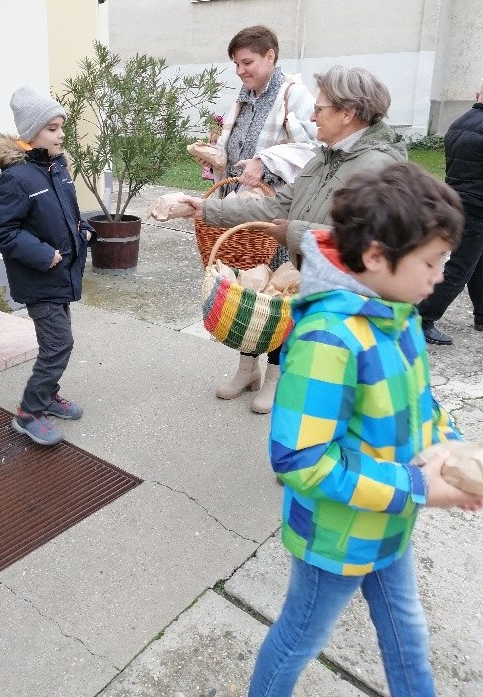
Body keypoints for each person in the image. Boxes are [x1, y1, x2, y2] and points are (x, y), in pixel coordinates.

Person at [246, 162, 483, 697]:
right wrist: (419, 486)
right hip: (335, 537)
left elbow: (418, 404)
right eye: (431, 261)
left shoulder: (397, 314)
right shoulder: (328, 340)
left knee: (407, 632)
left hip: (387, 522)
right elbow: (301, 460)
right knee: (299, 638)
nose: (440, 276)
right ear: (376, 256)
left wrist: (450, 452)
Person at [183, 65, 407, 413]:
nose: (312, 117)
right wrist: (204, 209)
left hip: (347, 305)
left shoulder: (376, 168)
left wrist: (292, 233)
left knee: (328, 403)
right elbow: (277, 205)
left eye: (319, 109)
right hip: (317, 290)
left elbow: (367, 243)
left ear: (348, 113)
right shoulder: (325, 156)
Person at [189, 25, 317, 414]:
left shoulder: (295, 95)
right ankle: (248, 370)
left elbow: (316, 149)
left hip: (277, 215)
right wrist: (217, 158)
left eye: (247, 62)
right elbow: (237, 154)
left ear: (271, 56)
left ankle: (276, 376)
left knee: (277, 296)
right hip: (243, 215)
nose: (240, 70)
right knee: (246, 291)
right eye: (236, 64)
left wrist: (266, 161)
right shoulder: (244, 98)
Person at [0, 85, 94, 446]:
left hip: (61, 275)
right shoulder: (17, 178)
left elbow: (68, 213)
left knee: (57, 343)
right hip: (40, 277)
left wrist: (84, 229)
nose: (60, 135)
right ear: (31, 133)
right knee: (59, 345)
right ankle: (29, 412)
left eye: (61, 127)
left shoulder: (56, 167)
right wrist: (44, 254)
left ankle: (47, 395)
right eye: (52, 128)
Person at [418, 80, 483, 345]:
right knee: (460, 267)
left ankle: (481, 314)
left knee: (477, 261)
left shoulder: (459, 122)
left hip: (457, 200)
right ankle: (423, 317)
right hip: (477, 206)